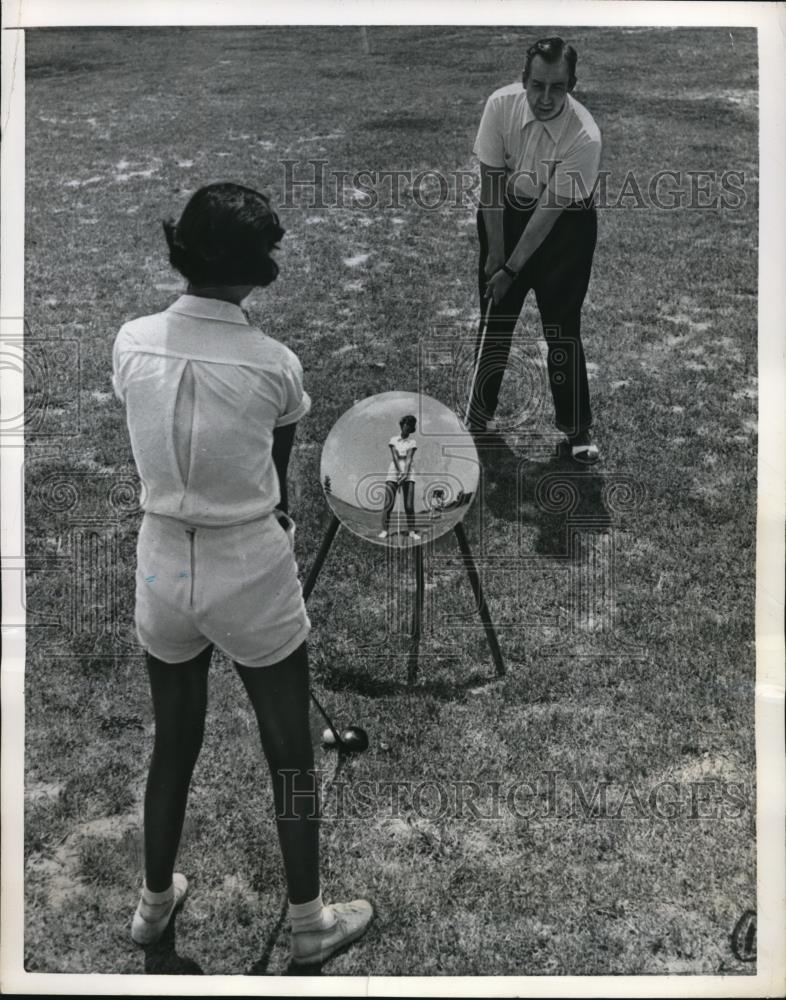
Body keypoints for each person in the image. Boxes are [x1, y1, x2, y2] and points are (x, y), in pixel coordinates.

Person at [112, 182, 373, 966]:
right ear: (256, 268)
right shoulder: (274, 364)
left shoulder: (131, 338)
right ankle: (309, 922)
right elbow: (279, 469)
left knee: (174, 743)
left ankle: (153, 906)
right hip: (248, 566)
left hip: (162, 564)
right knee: (290, 750)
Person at [467, 36, 601, 464]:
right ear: (523, 79)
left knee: (561, 326)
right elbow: (490, 183)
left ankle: (577, 428)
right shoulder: (499, 106)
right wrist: (495, 257)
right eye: (537, 85)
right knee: (495, 313)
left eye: (557, 88)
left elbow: (548, 213)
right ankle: (476, 416)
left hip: (565, 226)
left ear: (572, 85)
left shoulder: (585, 136)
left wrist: (512, 268)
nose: (545, 98)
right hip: (505, 213)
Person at [378, 415, 420, 540]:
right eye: (406, 424)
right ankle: (385, 530)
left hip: (409, 473)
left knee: (409, 505)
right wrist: (399, 473)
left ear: (412, 428)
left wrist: (405, 474)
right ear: (402, 425)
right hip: (393, 472)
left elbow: (409, 458)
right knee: (388, 503)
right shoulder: (393, 440)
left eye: (410, 425)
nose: (407, 427)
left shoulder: (412, 442)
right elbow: (395, 457)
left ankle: (412, 532)